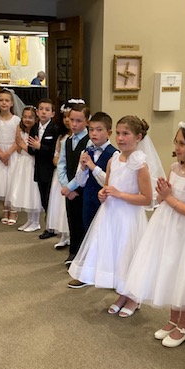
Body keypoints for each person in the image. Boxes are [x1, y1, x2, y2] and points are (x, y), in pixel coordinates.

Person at [124, 122, 185, 347]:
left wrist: (169, 197)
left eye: (182, 144)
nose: (177, 147)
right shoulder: (174, 168)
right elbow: (165, 198)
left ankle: (184, 325)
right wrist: (162, 194)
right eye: (176, 142)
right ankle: (172, 319)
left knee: (184, 275)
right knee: (169, 270)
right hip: (167, 225)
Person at [67, 115, 153, 316]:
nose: (121, 138)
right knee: (115, 254)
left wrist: (120, 194)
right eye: (120, 133)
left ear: (138, 137)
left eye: (126, 134)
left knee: (127, 254)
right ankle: (122, 294)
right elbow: (108, 185)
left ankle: (133, 298)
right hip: (110, 214)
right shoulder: (114, 159)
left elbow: (147, 198)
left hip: (129, 216)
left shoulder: (140, 164)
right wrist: (103, 192)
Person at [67, 111, 118, 287]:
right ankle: (88, 273)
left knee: (104, 237)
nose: (94, 134)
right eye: (91, 130)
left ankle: (108, 274)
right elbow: (81, 181)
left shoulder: (115, 154)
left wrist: (92, 166)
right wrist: (82, 167)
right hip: (88, 199)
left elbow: (109, 181)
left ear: (109, 133)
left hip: (106, 202)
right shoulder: (87, 150)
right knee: (88, 233)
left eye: (99, 130)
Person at [58, 102, 91, 266]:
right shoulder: (67, 141)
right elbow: (61, 165)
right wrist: (66, 187)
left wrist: (70, 187)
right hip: (69, 190)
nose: (74, 124)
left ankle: (85, 255)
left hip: (84, 189)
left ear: (87, 121)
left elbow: (84, 170)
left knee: (84, 221)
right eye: (72, 120)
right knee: (72, 220)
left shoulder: (89, 142)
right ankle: (74, 251)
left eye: (79, 121)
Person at [0, 89, 20, 224]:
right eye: (1, 100)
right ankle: (5, 210)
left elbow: (18, 140)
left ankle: (13, 210)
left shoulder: (17, 120)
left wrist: (8, 153)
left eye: (7, 100)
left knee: (12, 182)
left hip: (12, 153)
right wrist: (1, 154)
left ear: (12, 103)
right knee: (2, 183)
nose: (4, 103)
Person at [7, 106, 42, 232]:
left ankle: (36, 221)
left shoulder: (35, 132)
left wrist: (22, 145)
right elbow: (18, 149)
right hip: (22, 162)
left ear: (35, 118)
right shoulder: (21, 131)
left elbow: (33, 152)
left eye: (30, 117)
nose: (27, 119)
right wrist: (18, 143)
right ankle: (29, 220)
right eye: (25, 117)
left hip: (31, 163)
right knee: (24, 191)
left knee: (32, 192)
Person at [28, 98, 59, 239]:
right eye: (41, 109)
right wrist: (34, 148)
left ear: (52, 113)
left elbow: (54, 151)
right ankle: (49, 225)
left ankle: (51, 227)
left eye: (47, 110)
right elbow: (30, 149)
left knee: (50, 198)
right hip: (39, 169)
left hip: (50, 169)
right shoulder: (34, 128)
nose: (43, 112)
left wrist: (41, 147)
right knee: (43, 199)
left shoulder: (55, 129)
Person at [47, 104, 73, 249]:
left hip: (73, 175)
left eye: (71, 117)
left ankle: (72, 234)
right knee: (59, 205)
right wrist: (60, 164)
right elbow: (56, 156)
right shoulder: (61, 137)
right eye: (65, 117)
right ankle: (64, 235)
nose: (68, 121)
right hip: (60, 175)